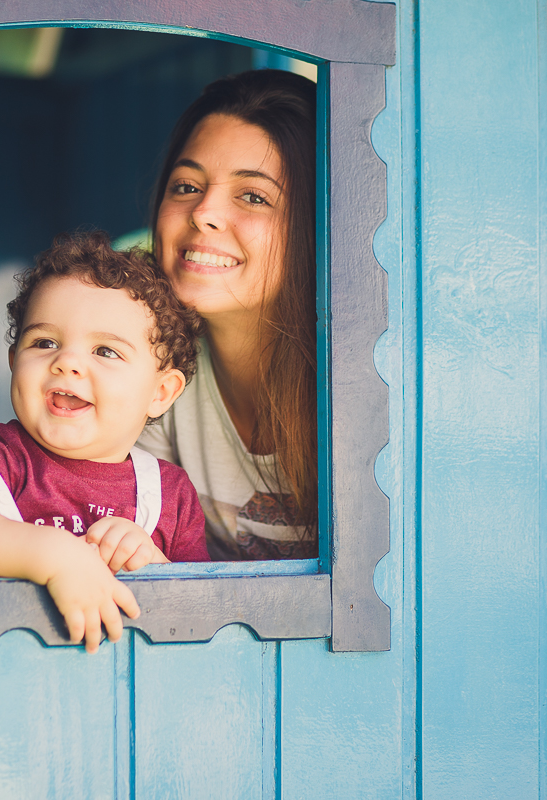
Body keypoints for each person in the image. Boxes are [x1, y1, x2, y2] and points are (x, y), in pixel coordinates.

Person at [0, 232, 210, 653]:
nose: (68, 362)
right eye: (44, 343)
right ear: (13, 361)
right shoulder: (4, 456)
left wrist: (152, 565)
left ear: (160, 392)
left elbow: (206, 607)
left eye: (106, 351)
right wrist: (58, 556)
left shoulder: (169, 493)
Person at [137, 69, 319, 561]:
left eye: (253, 195)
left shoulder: (364, 387)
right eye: (186, 186)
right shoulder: (148, 369)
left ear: (315, 224)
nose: (203, 212)